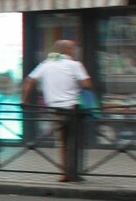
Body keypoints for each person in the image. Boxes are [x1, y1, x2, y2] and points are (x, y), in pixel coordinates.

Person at [19, 39, 93, 182]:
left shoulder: (46, 65)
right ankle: (74, 172)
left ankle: (65, 173)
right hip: (72, 108)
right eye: (73, 49)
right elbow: (87, 84)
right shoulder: (74, 65)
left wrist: (24, 100)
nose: (74, 51)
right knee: (75, 140)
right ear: (66, 50)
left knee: (62, 142)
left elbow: (29, 81)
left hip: (54, 109)